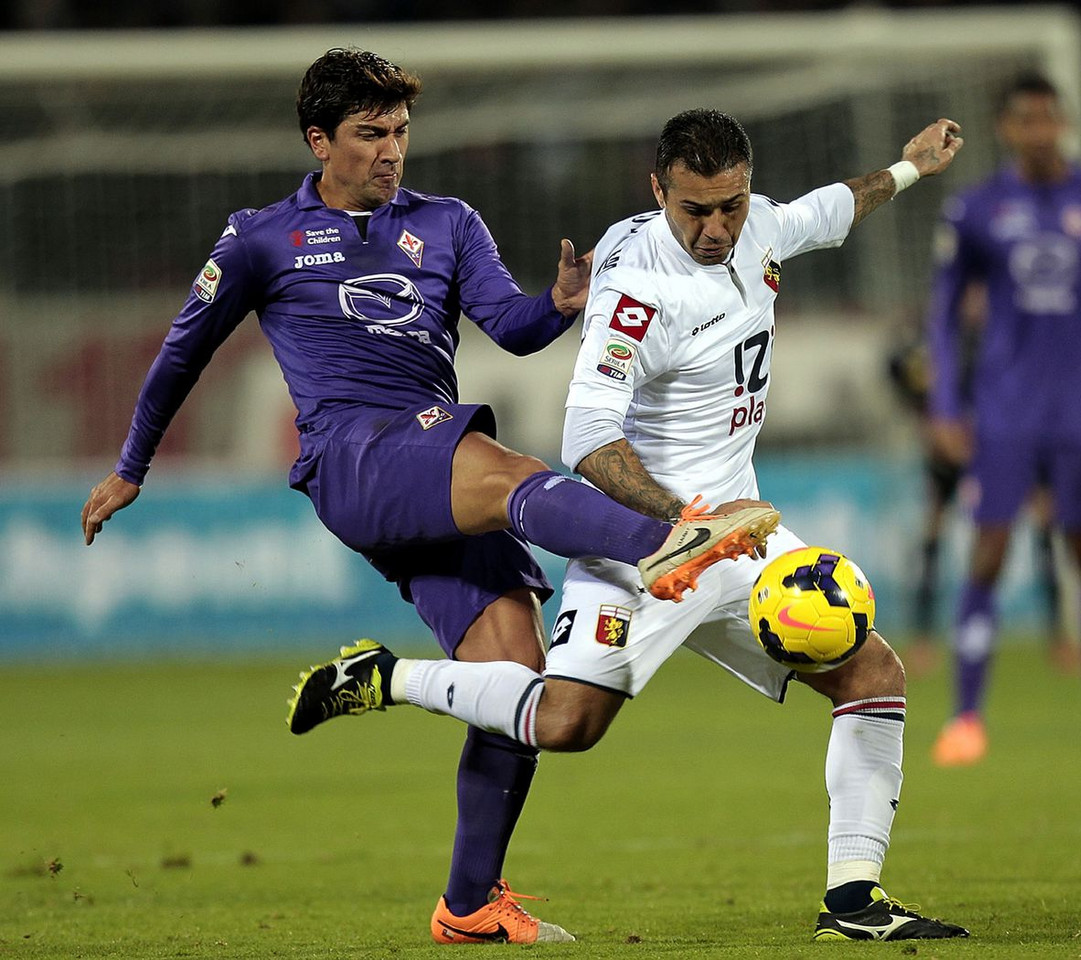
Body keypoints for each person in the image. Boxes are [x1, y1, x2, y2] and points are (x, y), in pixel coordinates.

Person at [80, 49, 780, 946]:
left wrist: (559, 303)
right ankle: (671, 541)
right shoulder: (261, 238)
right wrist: (132, 466)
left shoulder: (448, 223)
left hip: (432, 464)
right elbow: (184, 350)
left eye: (401, 132)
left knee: (514, 684)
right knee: (517, 474)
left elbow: (513, 328)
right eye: (370, 134)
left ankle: (469, 902)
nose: (391, 151)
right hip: (355, 456)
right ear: (319, 141)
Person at [291, 107, 970, 943]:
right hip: (644, 546)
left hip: (741, 535)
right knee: (568, 723)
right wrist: (680, 524)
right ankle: (383, 678)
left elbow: (825, 211)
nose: (718, 228)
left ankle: (854, 905)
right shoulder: (634, 293)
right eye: (696, 212)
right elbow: (587, 442)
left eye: (732, 205)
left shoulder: (754, 224)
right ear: (658, 191)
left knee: (872, 673)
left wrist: (906, 171)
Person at [926, 73, 1081, 767]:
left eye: (1049, 118)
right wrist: (946, 402)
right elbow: (943, 314)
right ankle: (966, 718)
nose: (1039, 131)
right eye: (1026, 120)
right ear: (1006, 128)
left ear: (1063, 122)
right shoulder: (976, 209)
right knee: (988, 550)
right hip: (1003, 409)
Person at [887, 326, 1079, 678]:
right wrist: (934, 428)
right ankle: (922, 640)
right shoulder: (937, 342)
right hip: (951, 453)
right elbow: (903, 375)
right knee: (932, 534)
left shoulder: (1004, 337)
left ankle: (1059, 638)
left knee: (1043, 524)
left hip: (1002, 447)